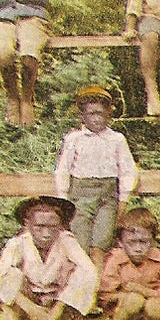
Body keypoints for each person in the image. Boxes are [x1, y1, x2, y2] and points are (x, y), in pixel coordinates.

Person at [0, 196, 98, 320]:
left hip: (56, 300)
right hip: (30, 299)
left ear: (60, 225)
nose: (46, 233)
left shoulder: (66, 241)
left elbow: (89, 271)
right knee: (8, 275)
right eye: (39, 227)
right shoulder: (19, 243)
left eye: (52, 227)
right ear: (27, 225)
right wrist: (31, 308)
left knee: (81, 274)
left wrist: (57, 309)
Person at [53, 85, 138, 269]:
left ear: (108, 114)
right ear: (82, 116)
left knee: (101, 244)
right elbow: (63, 169)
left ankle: (96, 283)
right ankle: (81, 282)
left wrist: (123, 200)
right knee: (79, 244)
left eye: (100, 113)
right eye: (91, 114)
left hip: (107, 198)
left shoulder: (117, 139)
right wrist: (63, 200)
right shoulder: (74, 138)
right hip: (80, 197)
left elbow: (127, 170)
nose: (96, 118)